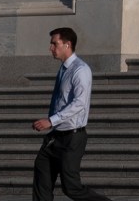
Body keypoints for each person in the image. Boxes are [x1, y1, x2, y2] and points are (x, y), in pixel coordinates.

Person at [32, 27, 108, 201]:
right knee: (41, 175)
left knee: (71, 187)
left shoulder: (80, 70)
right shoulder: (64, 69)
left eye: (54, 43)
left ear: (67, 45)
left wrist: (51, 120)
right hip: (55, 137)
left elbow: (79, 103)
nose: (50, 48)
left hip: (72, 138)